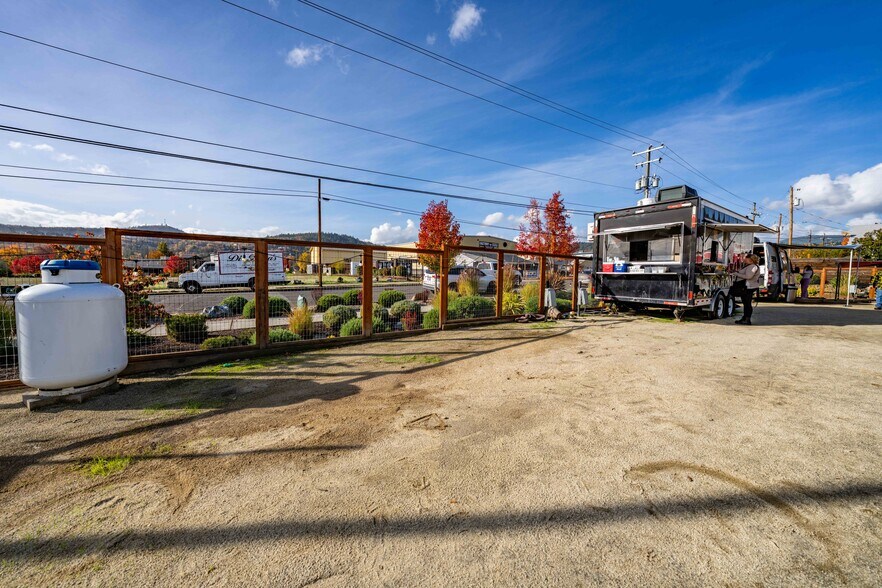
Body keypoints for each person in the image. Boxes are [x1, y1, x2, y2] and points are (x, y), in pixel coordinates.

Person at [731, 254, 761, 325]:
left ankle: (747, 319)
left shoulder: (753, 267)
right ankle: (745, 318)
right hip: (747, 287)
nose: (744, 259)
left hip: (748, 287)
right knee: (746, 303)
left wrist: (736, 274)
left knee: (747, 303)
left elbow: (748, 276)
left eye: (746, 258)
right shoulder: (749, 266)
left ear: (750, 259)